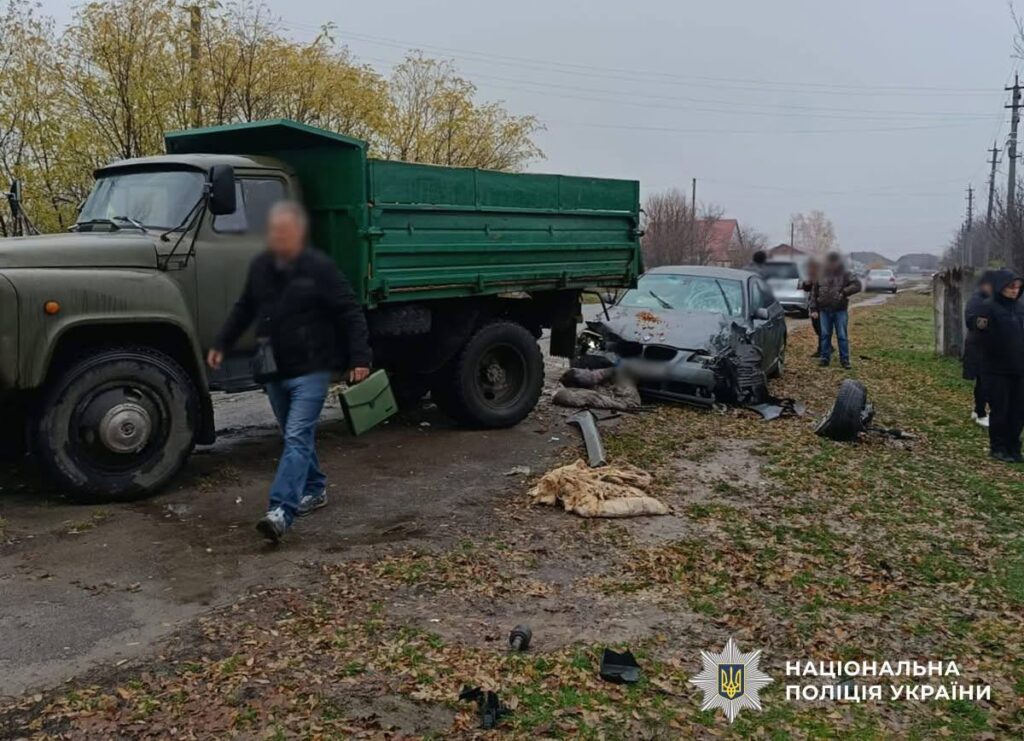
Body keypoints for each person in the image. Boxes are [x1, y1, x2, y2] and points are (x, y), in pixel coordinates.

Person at [208, 201, 372, 541]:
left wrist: (360, 358)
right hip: (274, 369)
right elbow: (244, 309)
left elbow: (349, 310)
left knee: (297, 436)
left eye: (285, 231)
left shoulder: (319, 268)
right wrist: (221, 344)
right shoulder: (262, 267)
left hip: (311, 369)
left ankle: (281, 510)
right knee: (294, 435)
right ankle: (316, 487)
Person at [975, 269, 1024, 463]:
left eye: (1018, 288)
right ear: (1001, 287)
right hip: (996, 369)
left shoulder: (1020, 308)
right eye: (1011, 287)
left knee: (1018, 410)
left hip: (1019, 369)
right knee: (1000, 409)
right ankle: (998, 447)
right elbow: (981, 335)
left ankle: (1014, 447)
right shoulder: (988, 308)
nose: (1014, 291)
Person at [809, 252, 861, 369]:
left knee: (842, 335)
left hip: (840, 310)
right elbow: (814, 293)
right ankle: (824, 358)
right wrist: (813, 309)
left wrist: (845, 292)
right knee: (825, 335)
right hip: (824, 310)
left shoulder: (845, 274)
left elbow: (857, 285)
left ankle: (845, 360)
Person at [963, 271, 995, 427]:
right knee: (985, 381)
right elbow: (972, 321)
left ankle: (978, 411)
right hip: (979, 346)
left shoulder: (989, 299)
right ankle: (981, 413)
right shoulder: (978, 300)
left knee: (983, 381)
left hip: (985, 346)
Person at [800, 258, 825, 358]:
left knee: (820, 327)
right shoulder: (811, 275)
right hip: (814, 305)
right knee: (817, 327)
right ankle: (828, 346)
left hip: (822, 305)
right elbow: (807, 289)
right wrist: (806, 283)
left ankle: (822, 349)